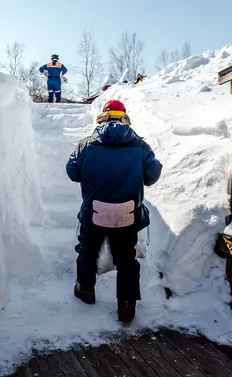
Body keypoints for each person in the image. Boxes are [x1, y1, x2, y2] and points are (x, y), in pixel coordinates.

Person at [65, 99, 162, 323]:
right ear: (123, 116)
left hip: (94, 213)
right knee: (126, 260)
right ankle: (126, 306)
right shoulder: (140, 145)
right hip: (127, 215)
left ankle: (86, 290)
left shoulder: (85, 144)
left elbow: (72, 172)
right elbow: (152, 175)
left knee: (88, 251)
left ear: (103, 116)